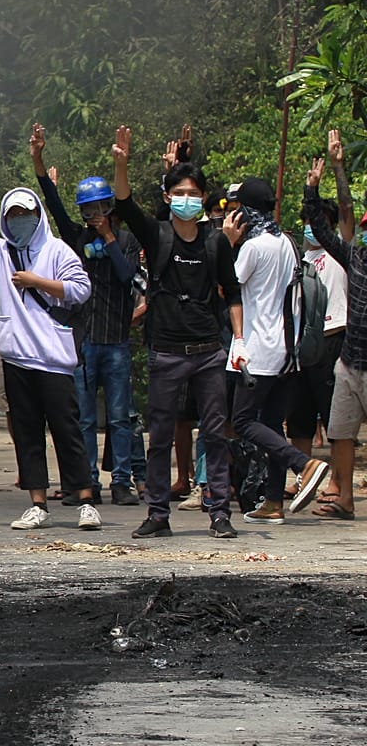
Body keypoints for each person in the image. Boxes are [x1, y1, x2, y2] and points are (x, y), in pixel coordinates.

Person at [0, 146, 96, 531]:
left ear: (38, 216)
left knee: (67, 431)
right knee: (28, 433)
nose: (19, 221)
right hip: (16, 359)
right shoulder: (0, 251)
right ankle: (37, 502)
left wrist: (38, 282)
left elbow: (80, 289)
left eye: (25, 214)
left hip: (52, 358)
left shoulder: (56, 250)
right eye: (12, 215)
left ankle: (85, 498)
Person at [111, 126, 240, 538]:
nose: (187, 200)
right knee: (160, 435)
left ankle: (219, 511)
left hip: (208, 351)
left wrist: (240, 341)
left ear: (203, 199)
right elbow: (126, 204)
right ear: (168, 197)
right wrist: (121, 164)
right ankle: (158, 514)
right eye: (179, 193)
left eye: (194, 194)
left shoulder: (216, 242)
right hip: (165, 350)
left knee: (216, 434)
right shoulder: (158, 234)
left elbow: (233, 293)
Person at [30, 124, 142, 507]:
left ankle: (122, 480)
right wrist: (39, 163)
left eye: (101, 209)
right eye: (88, 210)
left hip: (116, 341)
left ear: (112, 209)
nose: (94, 215)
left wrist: (109, 238)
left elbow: (129, 279)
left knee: (120, 416)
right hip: (82, 341)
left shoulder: (126, 242)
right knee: (84, 419)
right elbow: (53, 206)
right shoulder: (75, 239)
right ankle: (87, 481)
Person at [223, 177, 334, 524]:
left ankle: (304, 463)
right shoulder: (285, 242)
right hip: (288, 347)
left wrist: (228, 244)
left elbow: (227, 285)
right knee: (271, 422)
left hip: (257, 348)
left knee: (242, 420)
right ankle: (273, 502)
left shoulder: (253, 248)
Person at [302, 128, 363, 520]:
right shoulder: (354, 256)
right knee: (340, 432)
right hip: (351, 360)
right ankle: (345, 499)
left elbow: (344, 215)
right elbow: (330, 223)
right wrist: (316, 187)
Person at [289, 146, 349, 506]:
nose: (310, 228)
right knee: (298, 417)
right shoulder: (297, 255)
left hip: (333, 340)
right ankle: (302, 478)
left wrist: (332, 174)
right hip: (303, 345)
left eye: (316, 223)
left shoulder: (341, 251)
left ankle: (338, 485)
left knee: (335, 419)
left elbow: (344, 212)